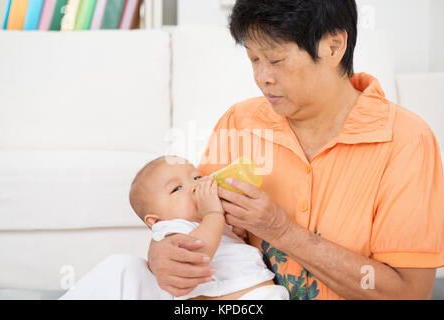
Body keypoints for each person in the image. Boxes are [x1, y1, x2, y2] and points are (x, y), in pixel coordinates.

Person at [147, 0, 444, 300]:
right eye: (253, 59)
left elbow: (408, 293)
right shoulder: (238, 123)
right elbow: (186, 220)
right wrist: (161, 253)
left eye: (276, 60)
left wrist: (283, 232)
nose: (262, 77)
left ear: (333, 46)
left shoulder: (405, 141)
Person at [60, 156, 289, 300]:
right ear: (155, 220)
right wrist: (213, 214)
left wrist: (236, 231)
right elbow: (197, 253)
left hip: (265, 292)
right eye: (176, 189)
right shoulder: (173, 229)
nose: (194, 186)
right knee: (118, 267)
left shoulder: (216, 220)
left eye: (197, 177)